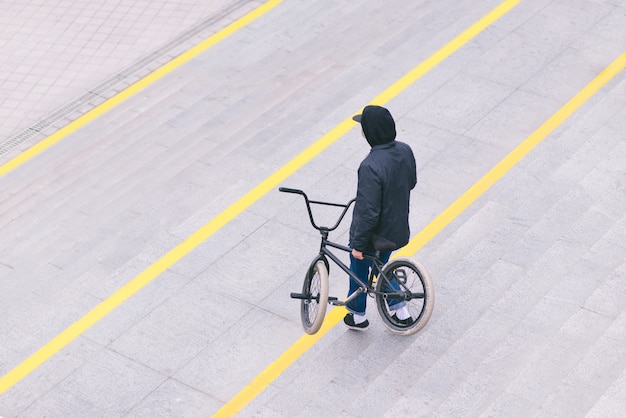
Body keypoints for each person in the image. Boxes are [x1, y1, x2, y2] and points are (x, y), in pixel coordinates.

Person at [344, 105, 417, 330]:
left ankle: (357, 316)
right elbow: (411, 182)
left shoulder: (369, 166)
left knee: (359, 265)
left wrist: (357, 244)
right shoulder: (405, 150)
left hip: (375, 233)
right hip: (398, 227)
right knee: (381, 266)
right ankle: (401, 313)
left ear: (370, 132)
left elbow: (368, 211)